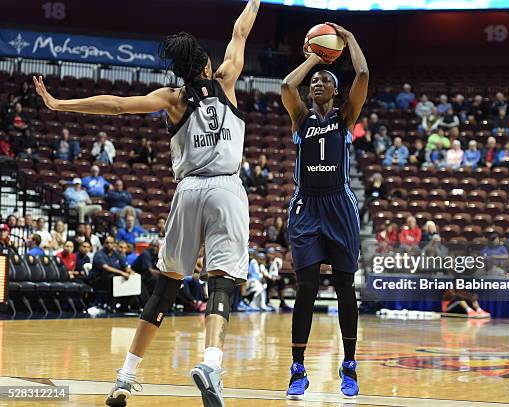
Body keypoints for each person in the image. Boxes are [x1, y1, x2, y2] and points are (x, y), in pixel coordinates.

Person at [33, 2, 261, 405]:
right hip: (226, 189)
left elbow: (117, 105)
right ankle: (210, 363)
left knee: (165, 287)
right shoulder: (227, 81)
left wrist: (59, 104)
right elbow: (240, 32)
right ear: (207, 65)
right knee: (222, 279)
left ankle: (124, 377)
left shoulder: (171, 98)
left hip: (188, 191)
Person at [280, 22, 367, 400]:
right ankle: (298, 368)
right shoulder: (301, 118)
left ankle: (349, 364)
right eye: (313, 81)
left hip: (339, 205)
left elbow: (362, 73)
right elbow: (286, 86)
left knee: (345, 289)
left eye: (324, 80)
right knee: (307, 288)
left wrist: (348, 41)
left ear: (335, 90)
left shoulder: (345, 117)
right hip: (306, 206)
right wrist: (315, 57)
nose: (316, 83)